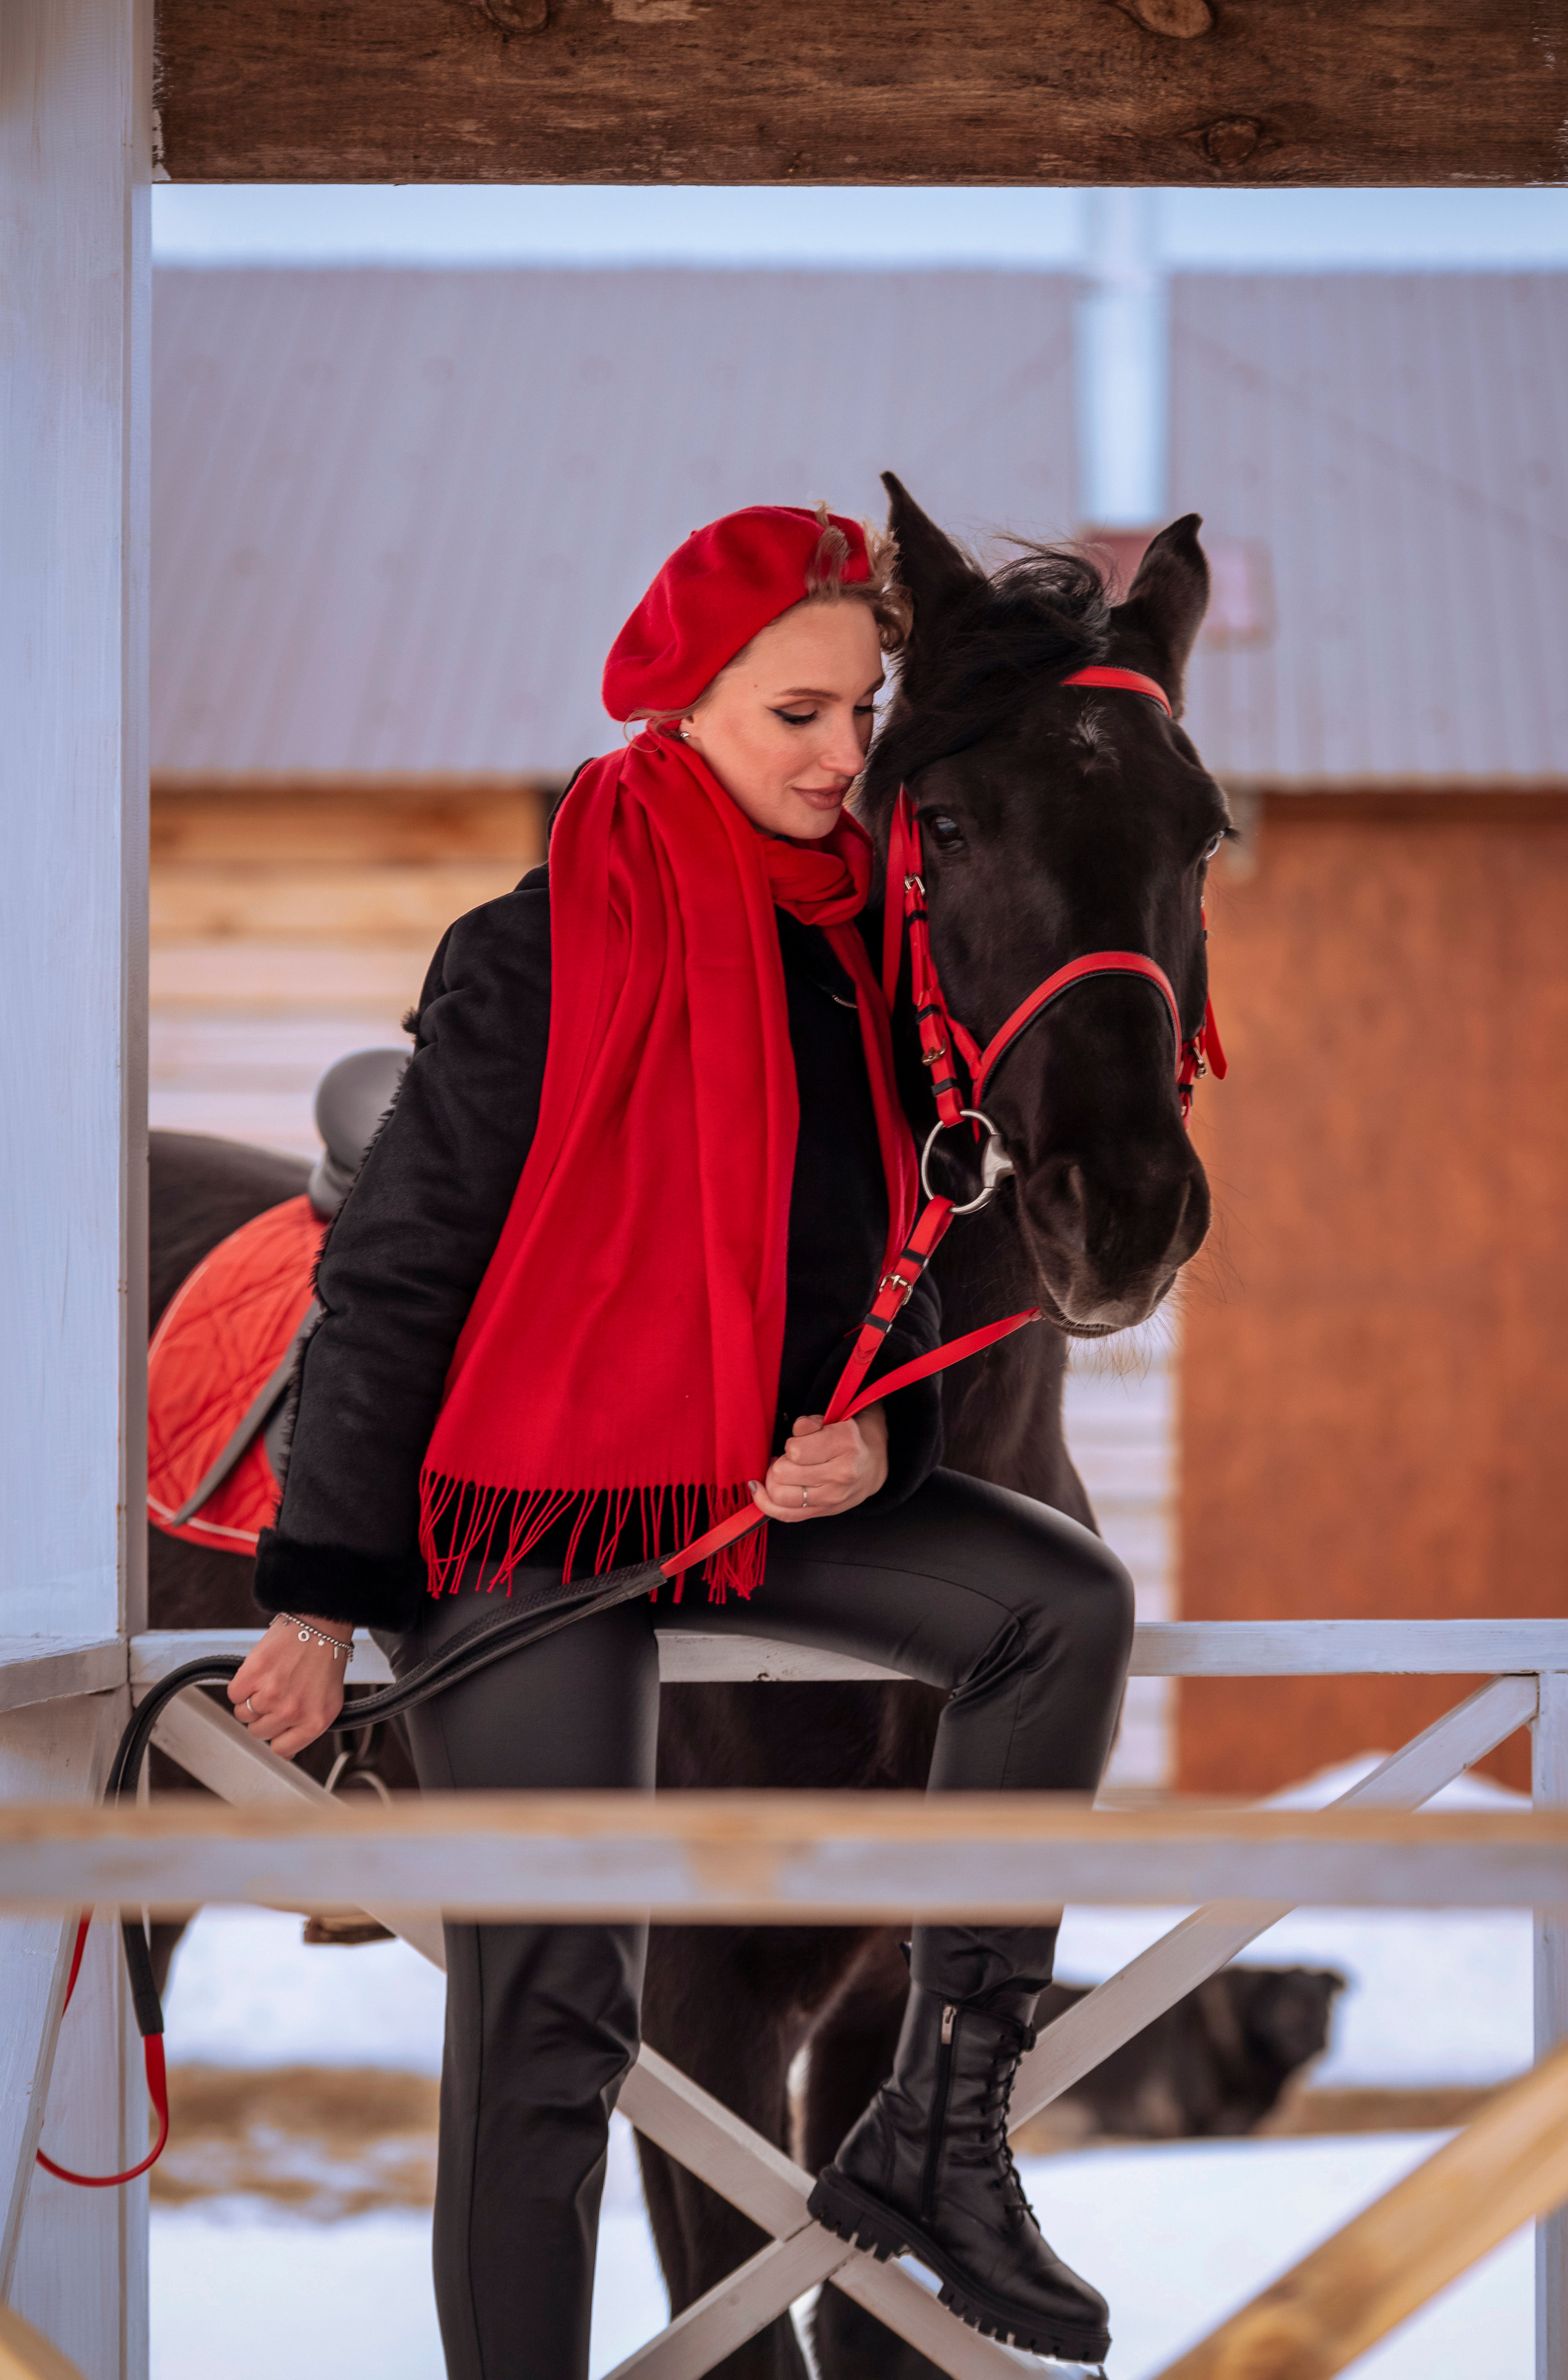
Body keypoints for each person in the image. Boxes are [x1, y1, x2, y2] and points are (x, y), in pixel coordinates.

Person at [228, 504, 1133, 2379]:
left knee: (1065, 1605)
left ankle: (944, 2138)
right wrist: (317, 1603)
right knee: (553, 2008)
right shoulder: (533, 952)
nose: (839, 755)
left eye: (860, 713)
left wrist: (882, 1443)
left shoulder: (871, 959)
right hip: (528, 1520)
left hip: (752, 1496)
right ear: (682, 704)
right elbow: (394, 1280)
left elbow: (899, 1257)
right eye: (796, 714)